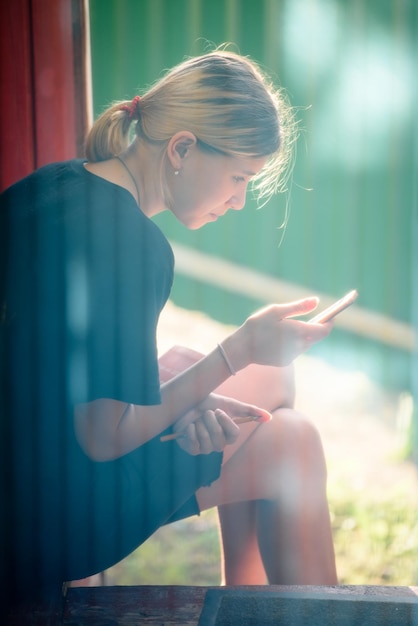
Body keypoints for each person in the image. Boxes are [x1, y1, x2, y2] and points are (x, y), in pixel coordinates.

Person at [0, 48, 337, 611]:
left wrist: (184, 387)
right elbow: (102, 437)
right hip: (51, 513)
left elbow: (48, 366)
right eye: (238, 176)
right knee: (290, 441)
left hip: (22, 464)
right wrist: (235, 352)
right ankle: (271, 612)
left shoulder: (47, 186)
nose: (238, 200)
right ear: (181, 148)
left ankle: (247, 605)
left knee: (272, 388)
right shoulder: (131, 243)